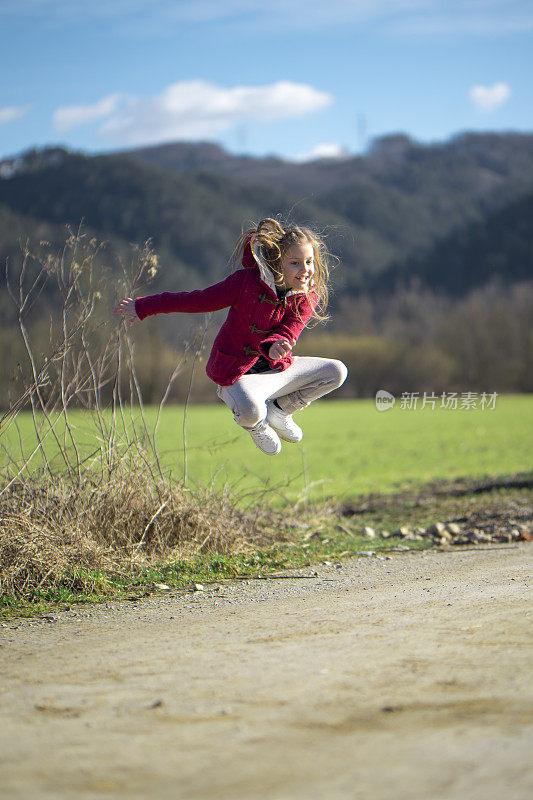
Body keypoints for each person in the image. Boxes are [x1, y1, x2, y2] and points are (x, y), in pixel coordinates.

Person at [113, 217, 347, 455]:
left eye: (309, 262)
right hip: (237, 373)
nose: (305, 270)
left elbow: (292, 328)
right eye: (295, 263)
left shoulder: (307, 295)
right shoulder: (246, 283)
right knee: (250, 411)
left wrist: (278, 344)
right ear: (278, 263)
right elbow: (196, 300)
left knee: (336, 372)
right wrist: (144, 306)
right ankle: (255, 422)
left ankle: (281, 409)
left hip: (275, 370)